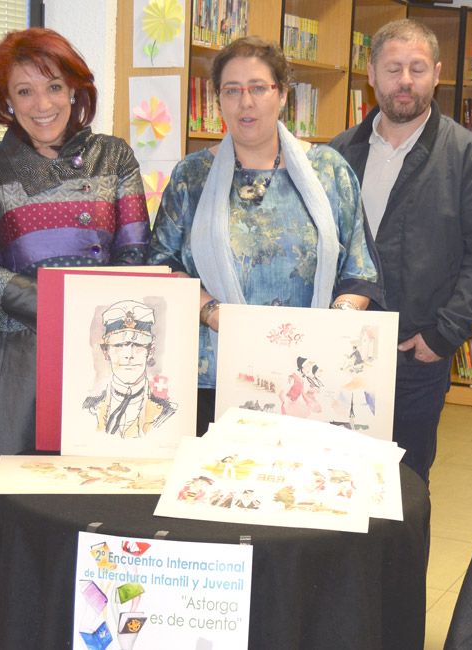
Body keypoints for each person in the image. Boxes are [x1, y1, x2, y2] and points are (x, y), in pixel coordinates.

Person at [148, 37, 382, 433]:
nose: (246, 102)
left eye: (258, 87)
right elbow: (161, 266)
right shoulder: (191, 177)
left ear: (283, 94)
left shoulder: (329, 170)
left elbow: (360, 270)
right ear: (218, 99)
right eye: (232, 90)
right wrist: (212, 311)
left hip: (312, 375)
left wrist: (331, 328)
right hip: (214, 374)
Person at [0, 28, 150, 509]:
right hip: (17, 352)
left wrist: (91, 319)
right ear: (7, 99)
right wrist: (65, 310)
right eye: (25, 90)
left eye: (54, 87)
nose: (42, 103)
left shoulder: (115, 155)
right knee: (19, 505)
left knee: (100, 499)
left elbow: (135, 254)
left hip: (103, 350)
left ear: (75, 91)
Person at [330, 19, 472, 482]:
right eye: (394, 68)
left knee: (406, 484)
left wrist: (443, 336)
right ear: (371, 73)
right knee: (336, 477)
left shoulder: (467, 156)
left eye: (417, 69)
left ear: (437, 73)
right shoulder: (339, 153)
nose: (405, 81)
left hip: (416, 351)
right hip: (343, 348)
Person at [82, 300, 177, 436]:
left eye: (138, 345)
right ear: (106, 352)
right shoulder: (89, 409)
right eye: (118, 346)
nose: (128, 355)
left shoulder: (166, 413)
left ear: (150, 351)